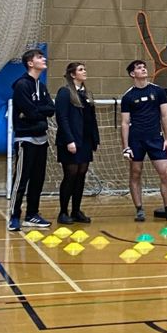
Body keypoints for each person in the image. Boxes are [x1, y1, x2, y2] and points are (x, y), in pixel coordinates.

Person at [120, 59, 167, 222]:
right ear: (133, 74)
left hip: (155, 138)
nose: (144, 69)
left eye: (144, 67)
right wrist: (126, 147)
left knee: (165, 173)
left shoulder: (158, 91)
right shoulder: (127, 97)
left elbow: (165, 116)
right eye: (139, 68)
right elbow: (125, 123)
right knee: (135, 173)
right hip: (136, 140)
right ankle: (139, 209)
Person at [8, 49, 56, 231]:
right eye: (39, 57)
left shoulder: (41, 87)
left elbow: (50, 109)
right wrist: (35, 113)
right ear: (30, 63)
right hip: (25, 139)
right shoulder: (22, 85)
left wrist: (36, 112)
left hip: (41, 139)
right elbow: (31, 112)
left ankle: (32, 214)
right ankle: (14, 215)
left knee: (38, 179)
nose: (43, 59)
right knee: (21, 180)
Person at [55, 62, 100, 225]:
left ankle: (76, 210)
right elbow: (62, 117)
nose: (84, 71)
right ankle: (63, 212)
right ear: (73, 74)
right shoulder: (65, 92)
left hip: (85, 140)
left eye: (85, 69)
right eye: (81, 70)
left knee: (81, 174)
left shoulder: (87, 93)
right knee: (70, 175)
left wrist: (95, 139)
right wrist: (69, 140)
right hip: (71, 140)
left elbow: (91, 119)